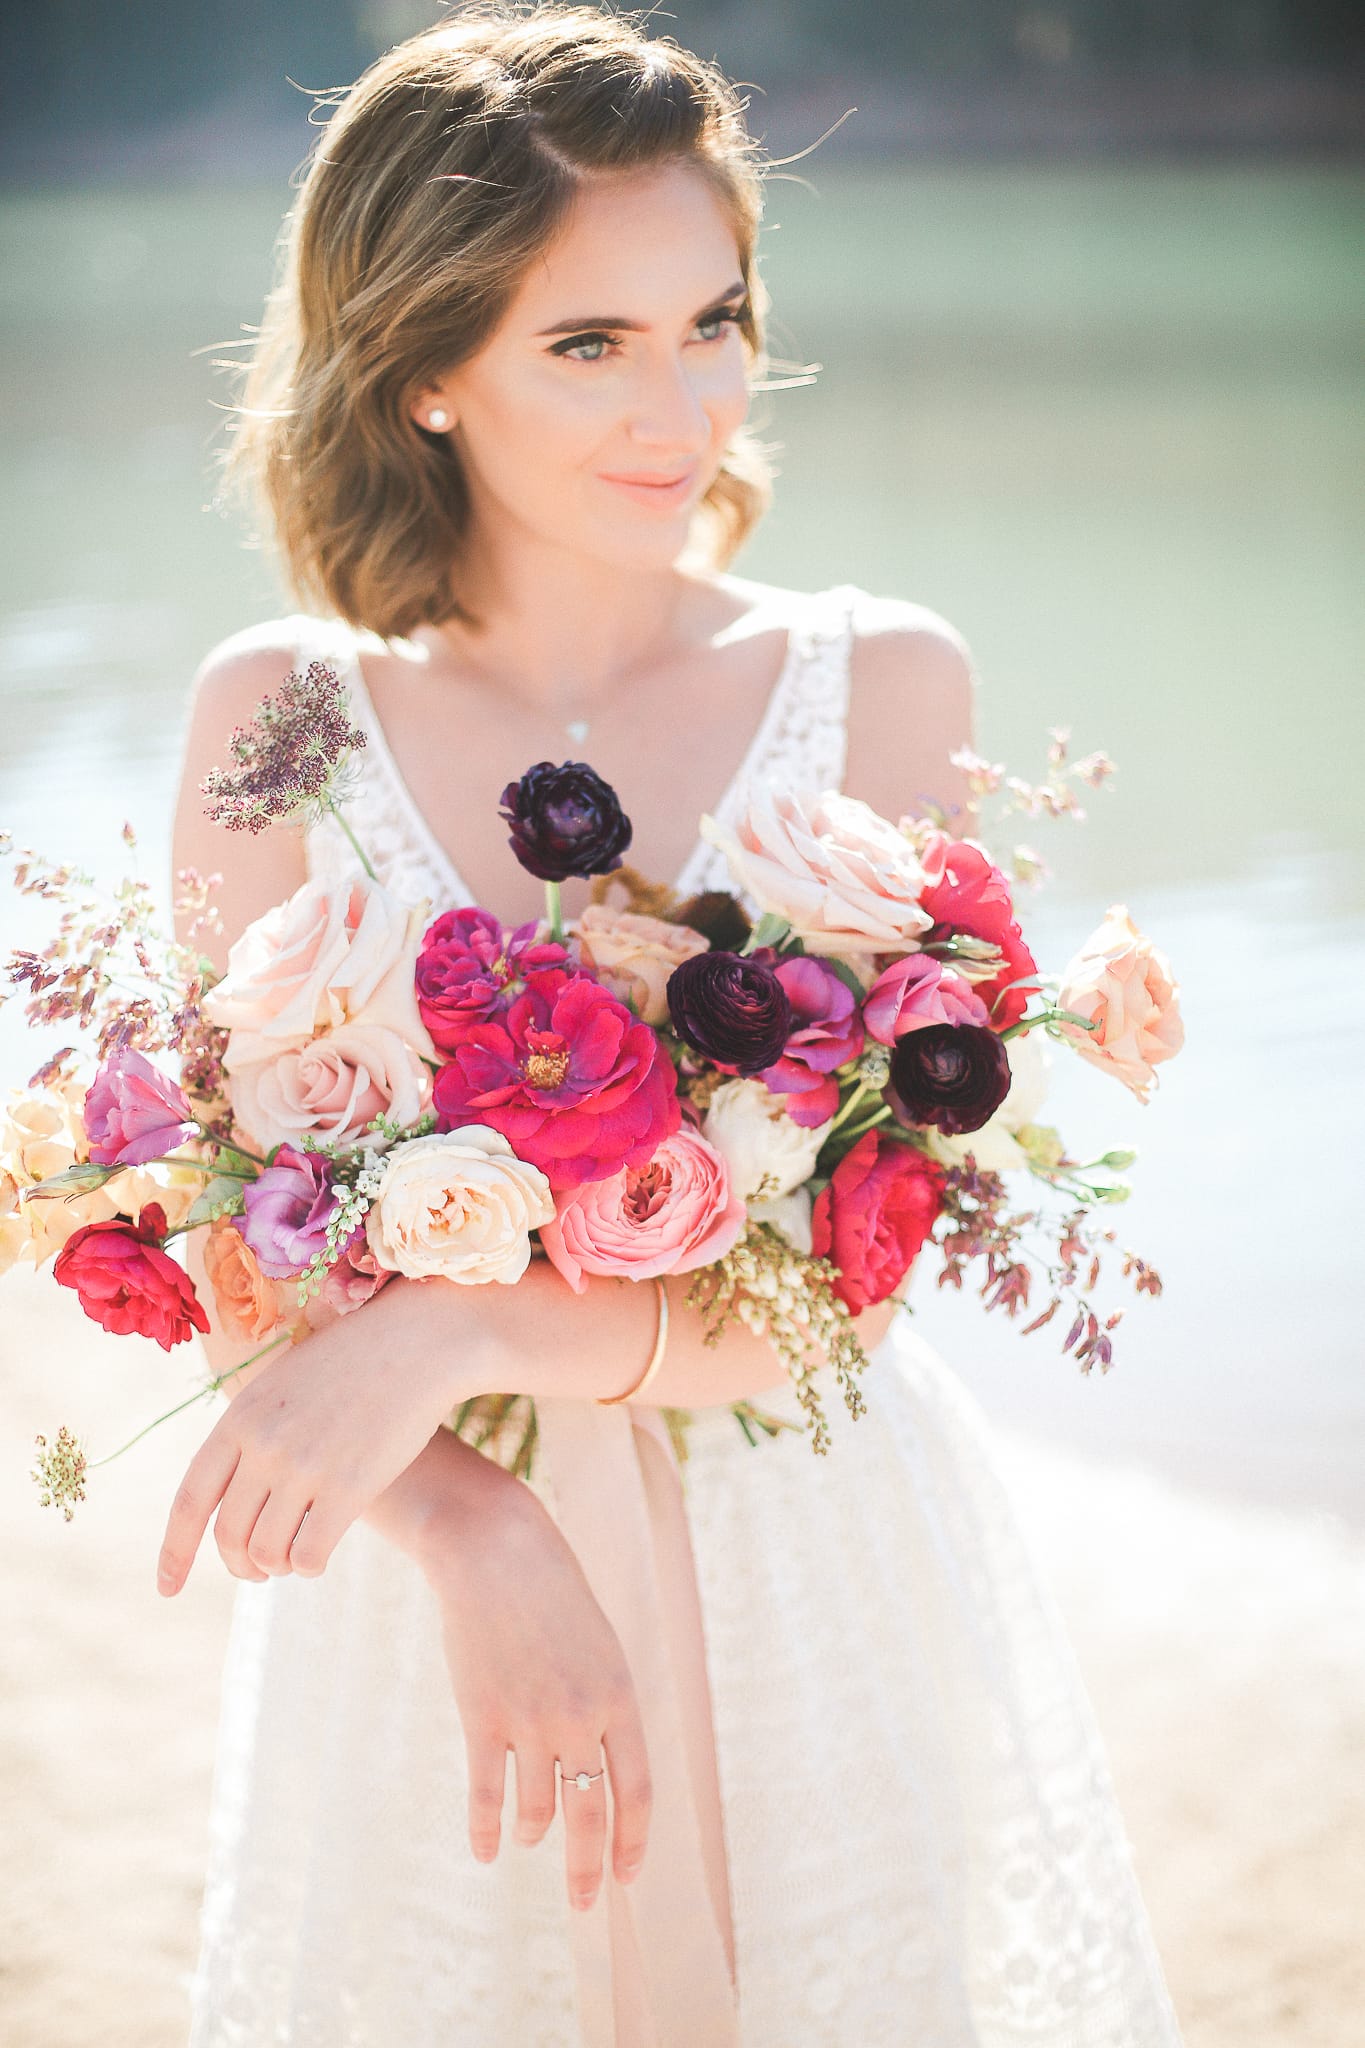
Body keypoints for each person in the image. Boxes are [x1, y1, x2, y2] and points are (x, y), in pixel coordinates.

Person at [165, 7, 1186, 2043]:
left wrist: (453, 1323)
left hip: (805, 1532)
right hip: (426, 1597)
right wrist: (468, 1522)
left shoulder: (875, 685)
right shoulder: (274, 717)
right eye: (588, 344)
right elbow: (221, 1228)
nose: (683, 404)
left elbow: (848, 1282)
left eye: (710, 319)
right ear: (422, 368)